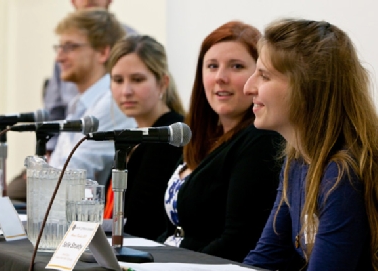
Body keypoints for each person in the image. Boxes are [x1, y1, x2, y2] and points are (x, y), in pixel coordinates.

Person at [243, 18, 376, 270]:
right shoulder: (296, 162)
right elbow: (265, 259)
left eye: (264, 76)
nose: (248, 87)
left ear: (306, 88)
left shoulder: (341, 174)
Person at [158, 21, 283, 262]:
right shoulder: (200, 138)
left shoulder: (261, 140)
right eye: (212, 66)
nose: (220, 77)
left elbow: (238, 240)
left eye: (236, 66)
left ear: (259, 77)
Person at [105, 35, 186, 241]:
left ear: (162, 83)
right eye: (118, 80)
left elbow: (144, 221)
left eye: (137, 79)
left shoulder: (170, 136)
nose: (126, 91)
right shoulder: (133, 138)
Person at [47, 8, 136, 185]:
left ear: (103, 52)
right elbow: (56, 168)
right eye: (59, 47)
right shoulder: (80, 103)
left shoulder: (113, 103)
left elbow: (69, 178)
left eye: (69, 47)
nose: (59, 57)